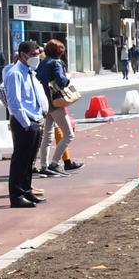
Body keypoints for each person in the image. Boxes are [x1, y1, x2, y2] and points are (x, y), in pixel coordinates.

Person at [2, 41, 47, 207]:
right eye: (34, 55)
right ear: (23, 55)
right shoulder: (15, 74)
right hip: (24, 122)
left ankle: (27, 190)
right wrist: (26, 123)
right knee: (20, 160)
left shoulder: (29, 72)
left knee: (29, 160)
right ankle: (16, 195)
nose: (36, 58)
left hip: (34, 119)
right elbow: (15, 102)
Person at [36, 38, 81, 176]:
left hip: (44, 102)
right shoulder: (56, 63)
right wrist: (68, 78)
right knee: (69, 134)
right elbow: (61, 82)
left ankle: (44, 165)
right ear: (60, 51)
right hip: (55, 102)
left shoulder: (42, 63)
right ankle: (54, 163)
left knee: (47, 136)